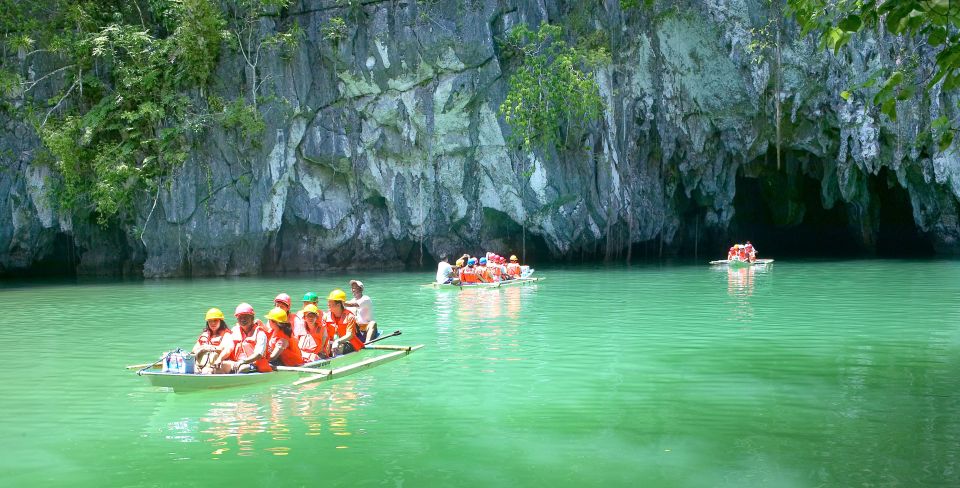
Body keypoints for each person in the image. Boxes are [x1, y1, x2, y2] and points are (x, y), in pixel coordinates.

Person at [213, 303, 270, 374]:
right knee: (216, 367)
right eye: (240, 317)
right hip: (236, 363)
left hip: (253, 364)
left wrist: (243, 361)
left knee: (243, 368)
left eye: (246, 317)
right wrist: (220, 359)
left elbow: (258, 354)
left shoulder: (260, 334)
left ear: (252, 318)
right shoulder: (234, 331)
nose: (243, 319)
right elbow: (228, 348)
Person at [324, 289, 365, 356]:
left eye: (330, 302)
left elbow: (350, 335)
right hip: (332, 342)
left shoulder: (350, 317)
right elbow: (324, 333)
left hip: (348, 342)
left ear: (338, 305)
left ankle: (336, 363)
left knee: (338, 348)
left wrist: (338, 341)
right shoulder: (326, 316)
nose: (328, 304)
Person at [192, 308, 232, 374]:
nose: (213, 323)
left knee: (206, 371)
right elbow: (194, 351)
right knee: (194, 369)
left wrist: (211, 348)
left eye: (215, 320)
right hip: (202, 365)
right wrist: (203, 349)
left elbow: (226, 349)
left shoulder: (226, 334)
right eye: (210, 321)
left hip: (218, 366)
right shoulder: (205, 334)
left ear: (220, 321)